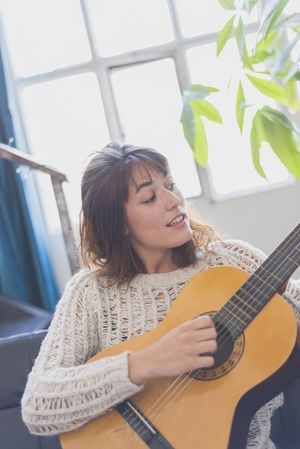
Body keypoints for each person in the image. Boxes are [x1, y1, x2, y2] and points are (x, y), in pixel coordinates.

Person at [21, 142, 300, 448]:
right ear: (120, 224)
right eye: (150, 197)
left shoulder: (233, 263)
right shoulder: (91, 292)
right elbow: (38, 405)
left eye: (171, 185)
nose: (173, 200)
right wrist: (146, 362)